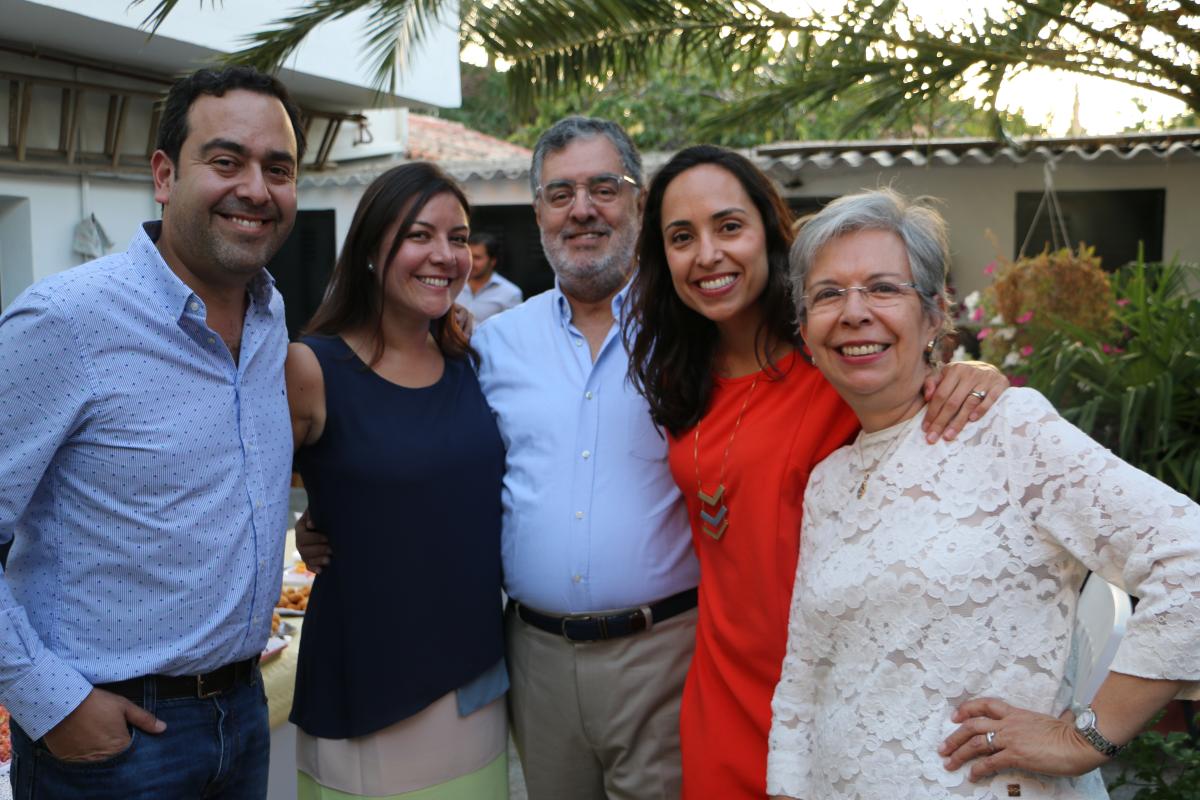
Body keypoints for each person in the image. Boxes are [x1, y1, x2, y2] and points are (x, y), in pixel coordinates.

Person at [299, 116, 698, 799]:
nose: (582, 210)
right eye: (560, 192)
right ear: (537, 210)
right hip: (532, 657)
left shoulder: (693, 332)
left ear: (640, 200)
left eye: (605, 187)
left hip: (665, 654)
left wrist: (942, 376)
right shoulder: (491, 346)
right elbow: (406, 441)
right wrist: (327, 516)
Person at [767, 188, 1200, 799]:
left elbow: (1190, 556)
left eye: (884, 288)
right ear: (806, 333)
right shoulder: (828, 481)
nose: (854, 312)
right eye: (828, 294)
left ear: (935, 316)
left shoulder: (1006, 429)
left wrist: (1084, 740)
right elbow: (807, 671)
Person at [626, 145, 1010, 799]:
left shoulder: (837, 363)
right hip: (720, 696)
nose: (708, 255)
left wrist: (976, 373)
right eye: (681, 237)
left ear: (771, 235)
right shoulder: (677, 378)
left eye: (729, 226)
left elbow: (926, 395)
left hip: (842, 697)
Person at [0, 66, 303, 799]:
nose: (256, 189)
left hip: (243, 709)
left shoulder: (269, 317)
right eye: (226, 161)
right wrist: (49, 700)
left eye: (278, 168)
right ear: (164, 175)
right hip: (114, 741)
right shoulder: (64, 322)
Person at [285, 162, 508, 799]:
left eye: (459, 237)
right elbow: (239, 497)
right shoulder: (313, 366)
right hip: (370, 683)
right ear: (371, 250)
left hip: (477, 675)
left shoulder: (469, 357)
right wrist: (312, 523)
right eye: (420, 235)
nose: (445, 255)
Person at [459, 232, 523, 321]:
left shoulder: (510, 293)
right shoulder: (454, 284)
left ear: (493, 261)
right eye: (468, 256)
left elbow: (513, 328)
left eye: (477, 258)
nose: (471, 262)